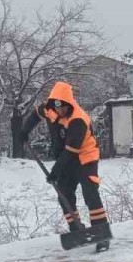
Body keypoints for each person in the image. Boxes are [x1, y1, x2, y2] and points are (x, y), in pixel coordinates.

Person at [17, 81, 111, 241]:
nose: (60, 110)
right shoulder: (49, 108)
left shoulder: (78, 120)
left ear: (69, 104)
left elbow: (71, 151)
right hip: (64, 156)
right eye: (57, 107)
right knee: (64, 194)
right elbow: (35, 115)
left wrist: (55, 172)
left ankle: (101, 233)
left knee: (90, 192)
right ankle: (76, 230)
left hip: (84, 156)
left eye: (64, 107)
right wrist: (24, 131)